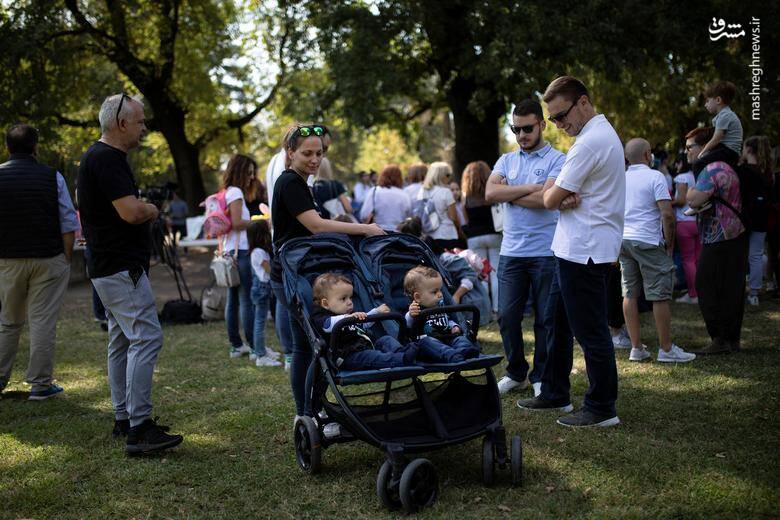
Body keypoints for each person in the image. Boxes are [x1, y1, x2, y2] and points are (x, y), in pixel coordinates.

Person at [78, 93, 183, 453]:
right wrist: (152, 209)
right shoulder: (107, 159)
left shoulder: (100, 157)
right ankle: (140, 428)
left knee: (121, 340)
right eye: (140, 122)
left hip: (108, 266)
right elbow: (130, 212)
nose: (145, 128)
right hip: (120, 267)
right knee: (146, 337)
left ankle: (124, 418)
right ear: (122, 123)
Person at [518, 76, 624, 428]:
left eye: (561, 116)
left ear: (582, 102)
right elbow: (554, 193)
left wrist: (556, 191)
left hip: (586, 251)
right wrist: (557, 189)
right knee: (557, 326)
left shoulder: (590, 141)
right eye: (553, 120)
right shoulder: (590, 138)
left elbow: (548, 199)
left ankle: (601, 407)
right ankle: (554, 392)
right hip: (574, 248)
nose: (559, 125)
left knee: (590, 331)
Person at [271, 123, 384, 419]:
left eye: (319, 153)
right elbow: (315, 226)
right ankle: (309, 411)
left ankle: (310, 410)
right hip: (290, 275)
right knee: (311, 347)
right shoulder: (290, 183)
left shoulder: (300, 183)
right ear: (290, 152)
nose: (314, 159)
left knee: (306, 348)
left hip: (297, 273)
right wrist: (364, 229)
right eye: (307, 153)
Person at [484, 99, 565, 397]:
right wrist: (535, 189)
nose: (521, 135)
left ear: (542, 125)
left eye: (527, 128)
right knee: (506, 315)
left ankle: (540, 375)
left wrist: (510, 193)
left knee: (546, 319)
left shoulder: (559, 159)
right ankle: (516, 372)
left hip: (547, 251)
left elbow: (548, 200)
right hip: (511, 253)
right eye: (515, 129)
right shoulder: (506, 160)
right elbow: (490, 192)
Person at [0, 124, 79, 401]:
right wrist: (66, 257)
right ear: (36, 147)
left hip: (8, 260)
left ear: (8, 147)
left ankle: (0, 377)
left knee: (8, 321)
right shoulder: (51, 177)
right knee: (43, 321)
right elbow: (68, 221)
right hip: (48, 258)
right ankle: (40, 384)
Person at [619, 139, 696, 363]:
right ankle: (666, 349)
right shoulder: (655, 176)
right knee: (659, 295)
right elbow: (667, 214)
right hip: (648, 240)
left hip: (624, 240)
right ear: (648, 155)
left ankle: (636, 348)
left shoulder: (620, 178)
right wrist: (670, 244)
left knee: (629, 293)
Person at [686, 129, 748, 354]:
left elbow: (692, 199)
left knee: (707, 285)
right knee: (732, 287)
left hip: (720, 235)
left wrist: (691, 190)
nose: (687, 152)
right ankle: (732, 339)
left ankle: (719, 339)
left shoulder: (712, 169)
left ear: (705, 146)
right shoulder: (727, 166)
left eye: (690, 147)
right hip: (735, 233)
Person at [311, 273, 418, 370]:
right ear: (325, 304)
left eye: (350, 298)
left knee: (385, 340)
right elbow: (327, 326)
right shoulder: (322, 317)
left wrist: (376, 312)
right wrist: (348, 318)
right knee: (374, 357)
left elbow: (363, 323)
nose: (349, 303)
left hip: (365, 348)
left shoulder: (349, 314)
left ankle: (402, 352)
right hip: (347, 356)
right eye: (343, 298)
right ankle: (403, 359)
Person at [221, 154, 259, 359]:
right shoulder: (235, 192)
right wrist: (258, 221)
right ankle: (254, 346)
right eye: (249, 173)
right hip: (241, 251)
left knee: (233, 299)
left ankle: (237, 345)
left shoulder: (226, 191)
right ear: (240, 171)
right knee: (246, 299)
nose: (252, 177)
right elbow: (237, 223)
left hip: (230, 251)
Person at [404, 266, 481, 361]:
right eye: (434, 292)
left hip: (448, 338)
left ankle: (465, 351)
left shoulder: (440, 306)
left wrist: (454, 326)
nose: (440, 294)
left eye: (440, 290)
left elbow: (446, 319)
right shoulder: (416, 310)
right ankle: (451, 355)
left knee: (460, 339)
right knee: (426, 342)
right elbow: (407, 324)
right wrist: (411, 315)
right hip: (429, 346)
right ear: (418, 297)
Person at [461, 161, 502, 316]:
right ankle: (496, 309)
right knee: (495, 272)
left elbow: (465, 218)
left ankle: (484, 309)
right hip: (494, 234)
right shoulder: (492, 192)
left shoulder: (466, 195)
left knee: (481, 273)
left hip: (475, 236)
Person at [672, 129, 707, 304]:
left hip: (684, 221)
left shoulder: (681, 178)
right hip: (698, 220)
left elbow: (681, 200)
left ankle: (693, 294)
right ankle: (701, 290)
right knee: (698, 259)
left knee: (687, 260)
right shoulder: (699, 174)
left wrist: (666, 201)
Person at [741, 136, 773, 306]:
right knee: (756, 255)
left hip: (745, 218)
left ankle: (741, 289)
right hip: (762, 218)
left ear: (748, 150)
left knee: (742, 255)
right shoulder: (767, 172)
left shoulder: (744, 170)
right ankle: (754, 293)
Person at [247, 219, 282, 367]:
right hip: (261, 289)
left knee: (259, 321)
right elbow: (270, 271)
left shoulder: (258, 250)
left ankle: (260, 349)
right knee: (260, 322)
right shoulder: (259, 252)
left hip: (260, 289)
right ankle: (260, 355)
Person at [694, 81, 742, 176]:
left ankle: (700, 188)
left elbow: (716, 139)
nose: (705, 105)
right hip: (726, 149)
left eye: (707, 101)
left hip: (729, 152)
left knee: (698, 164)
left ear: (718, 100)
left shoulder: (725, 115)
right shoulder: (723, 115)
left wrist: (702, 152)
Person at [419, 162, 463, 249]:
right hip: (447, 234)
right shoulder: (446, 192)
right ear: (441, 176)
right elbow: (453, 217)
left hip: (429, 235)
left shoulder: (423, 191)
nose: (449, 177)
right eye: (447, 175)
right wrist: (460, 230)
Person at [360, 164, 411, 231]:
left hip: (378, 234)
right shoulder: (404, 195)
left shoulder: (374, 192)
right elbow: (408, 216)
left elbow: (364, 215)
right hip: (399, 235)